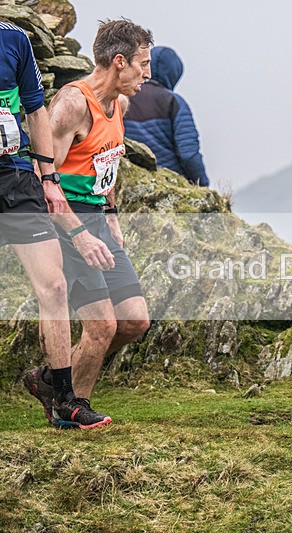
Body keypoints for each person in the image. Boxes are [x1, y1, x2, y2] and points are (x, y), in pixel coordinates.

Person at [24, 19, 153, 428]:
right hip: (65, 225)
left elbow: (107, 164)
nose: (148, 75)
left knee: (134, 321)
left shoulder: (122, 104)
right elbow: (44, 178)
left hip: (97, 219)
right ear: (120, 62)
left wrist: (111, 216)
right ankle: (71, 409)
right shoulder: (72, 104)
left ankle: (50, 382)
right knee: (101, 326)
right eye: (143, 65)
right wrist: (79, 236)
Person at [2, 21, 112, 429]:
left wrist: (49, 180)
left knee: (55, 285)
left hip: (15, 177)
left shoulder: (14, 39)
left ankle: (64, 400)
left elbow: (35, 110)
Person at [123, 46, 209, 186]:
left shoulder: (122, 98)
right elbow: (188, 154)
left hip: (129, 180)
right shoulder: (174, 102)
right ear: (173, 74)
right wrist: (203, 185)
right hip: (169, 182)